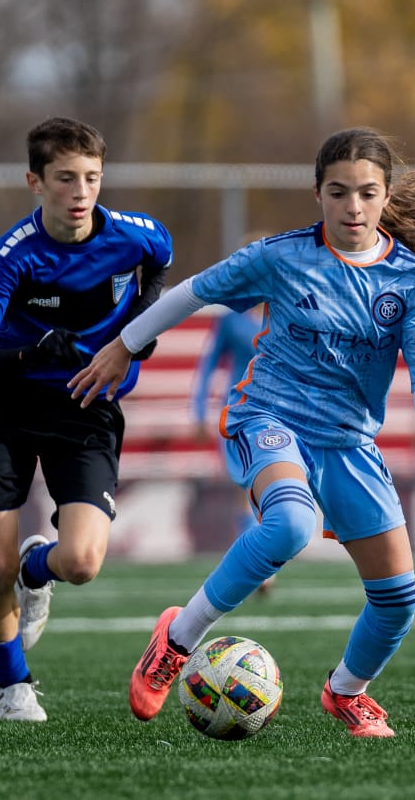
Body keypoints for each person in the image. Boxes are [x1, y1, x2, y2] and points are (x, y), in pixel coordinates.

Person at [70, 127, 415, 738]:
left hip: (349, 442)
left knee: (397, 601)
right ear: (318, 194)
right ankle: (176, 640)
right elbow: (190, 293)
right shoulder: (282, 257)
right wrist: (125, 346)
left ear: (386, 195)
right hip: (270, 417)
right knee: (288, 524)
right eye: (339, 192)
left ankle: (346, 693)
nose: (353, 207)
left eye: (367, 193)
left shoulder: (412, 282)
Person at [0, 116, 172, 722]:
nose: (81, 192)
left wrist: (139, 328)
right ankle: (12, 684)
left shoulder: (137, 234)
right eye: (66, 178)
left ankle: (36, 567)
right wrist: (31, 354)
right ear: (35, 181)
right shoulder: (11, 256)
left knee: (80, 563)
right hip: (7, 405)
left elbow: (161, 263)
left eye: (93, 178)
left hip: (85, 406)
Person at [187, 238, 273, 590]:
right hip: (236, 411)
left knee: (269, 485)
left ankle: (263, 557)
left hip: (278, 409)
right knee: (245, 484)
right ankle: (262, 567)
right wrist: (198, 412)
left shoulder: (288, 311)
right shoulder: (230, 317)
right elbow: (208, 364)